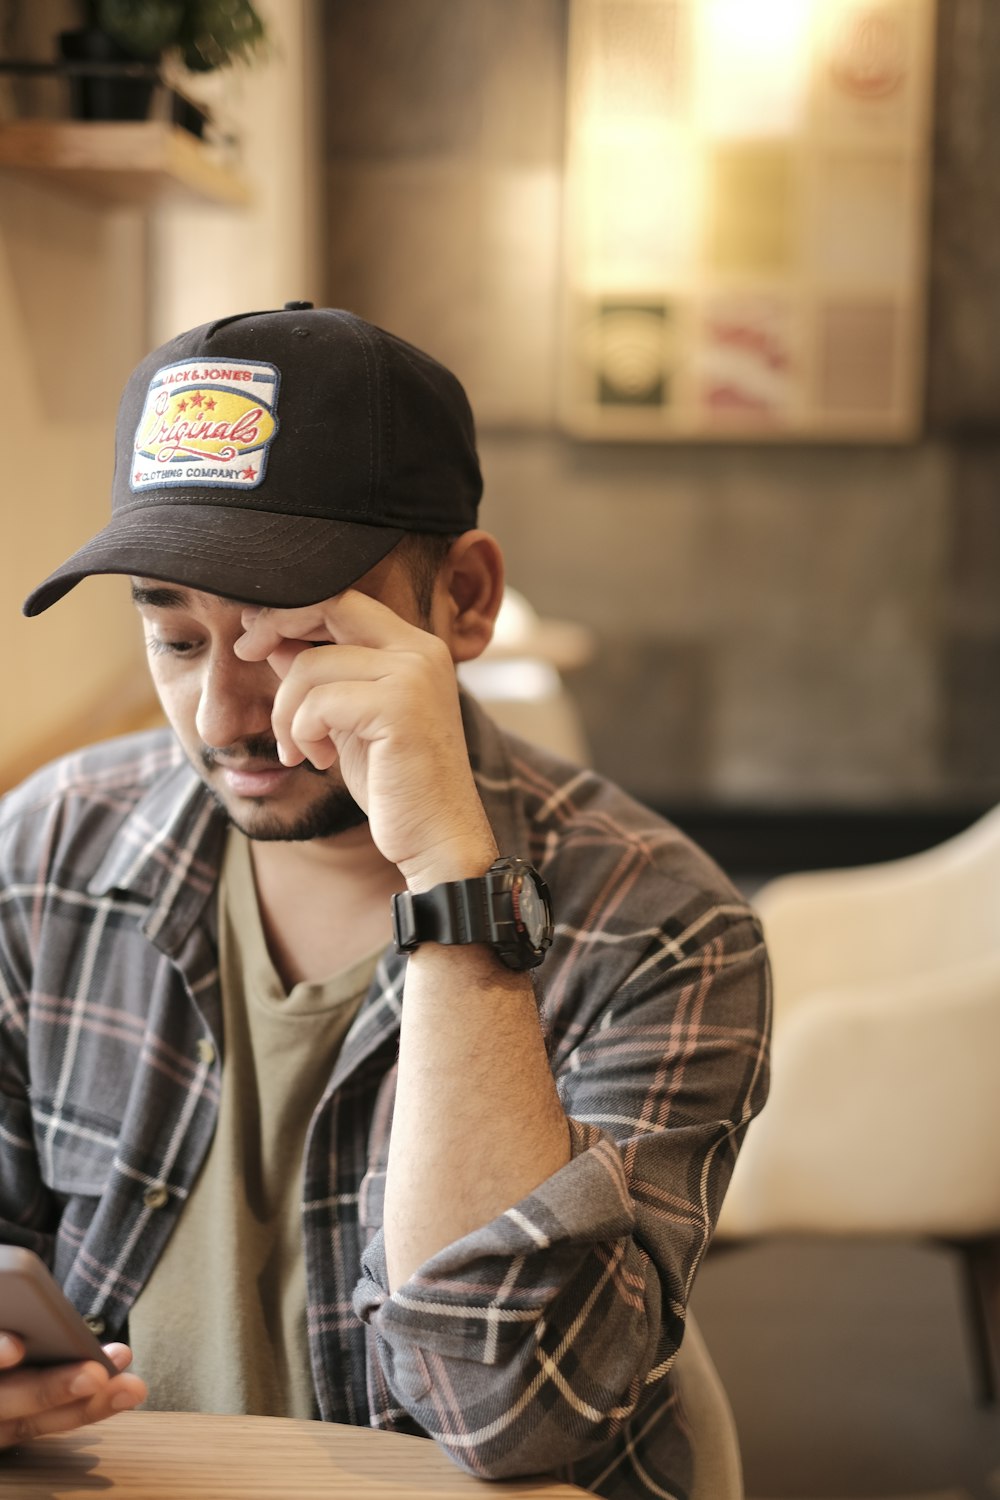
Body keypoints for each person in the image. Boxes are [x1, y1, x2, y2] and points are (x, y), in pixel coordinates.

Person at [0, 303, 770, 1495]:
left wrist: (454, 883)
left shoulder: (660, 926)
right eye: (177, 637)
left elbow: (508, 1412)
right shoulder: (45, 849)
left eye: (288, 636)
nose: (222, 722)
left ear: (463, 599)